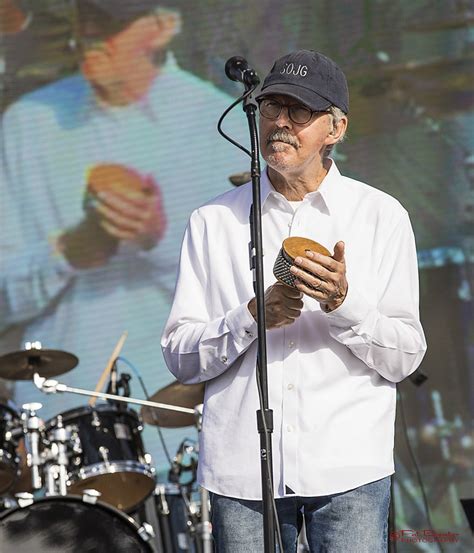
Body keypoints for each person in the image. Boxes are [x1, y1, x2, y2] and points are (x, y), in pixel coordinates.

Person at [161, 49, 427, 552]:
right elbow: (180, 355)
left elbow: (405, 356)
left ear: (336, 128)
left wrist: (342, 303)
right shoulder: (212, 222)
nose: (280, 122)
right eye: (271, 107)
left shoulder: (380, 216)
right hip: (243, 473)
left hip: (348, 468)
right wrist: (250, 318)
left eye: (299, 110)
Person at [0, 0, 247, 465]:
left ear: (163, 25)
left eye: (110, 23)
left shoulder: (221, 124)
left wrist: (161, 240)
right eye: (85, 19)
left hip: (179, 425)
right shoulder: (27, 124)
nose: (90, 36)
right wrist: (68, 252)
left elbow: (254, 291)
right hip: (55, 428)